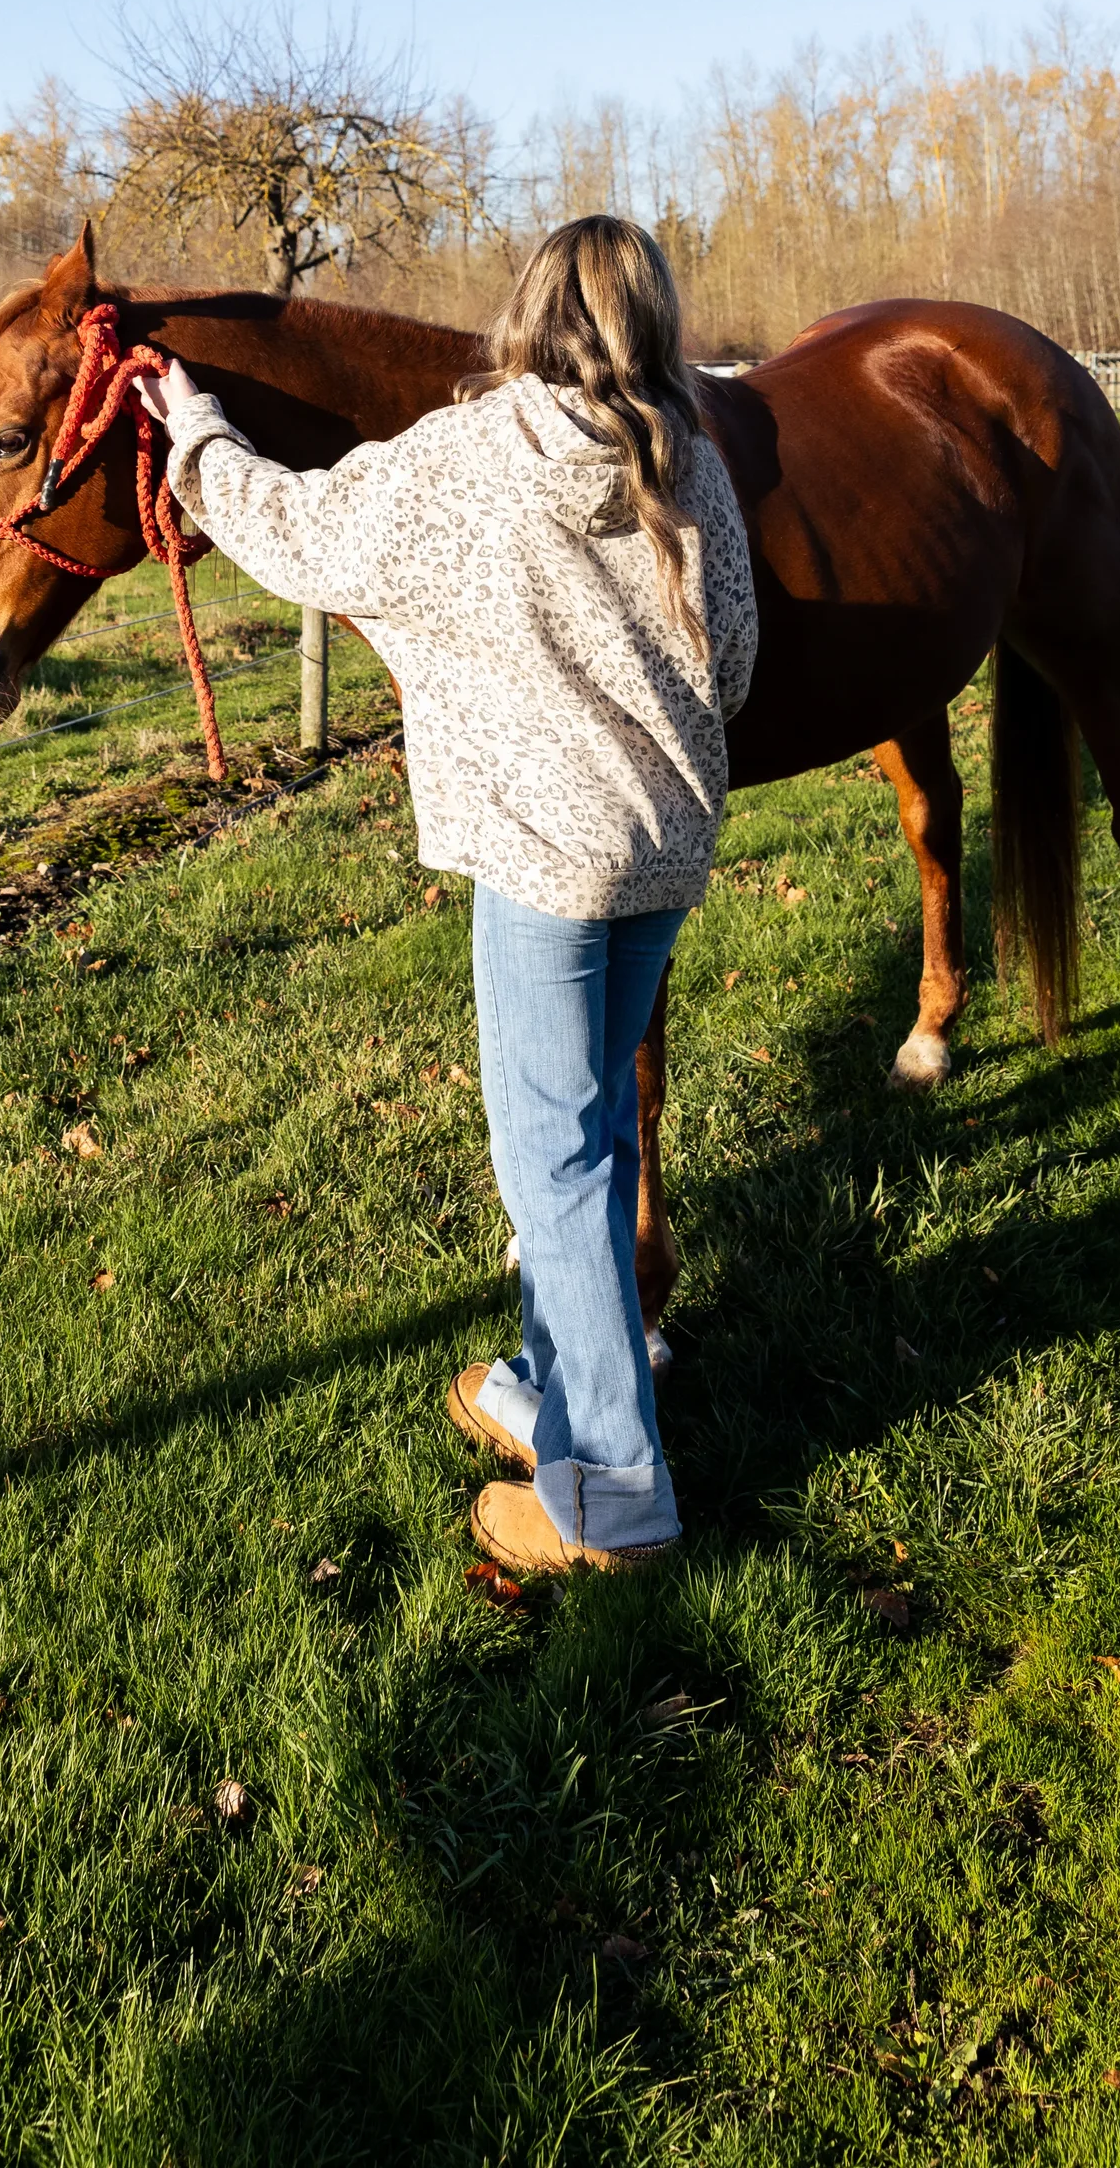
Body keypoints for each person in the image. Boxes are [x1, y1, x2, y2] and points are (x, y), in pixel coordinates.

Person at [136, 215, 758, 1575]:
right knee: (585, 1128)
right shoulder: (690, 452)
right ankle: (553, 1383)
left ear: (532, 310)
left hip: (545, 860)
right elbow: (740, 662)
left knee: (555, 1156)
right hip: (663, 852)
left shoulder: (481, 453)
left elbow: (302, 533)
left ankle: (614, 1487)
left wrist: (198, 438)